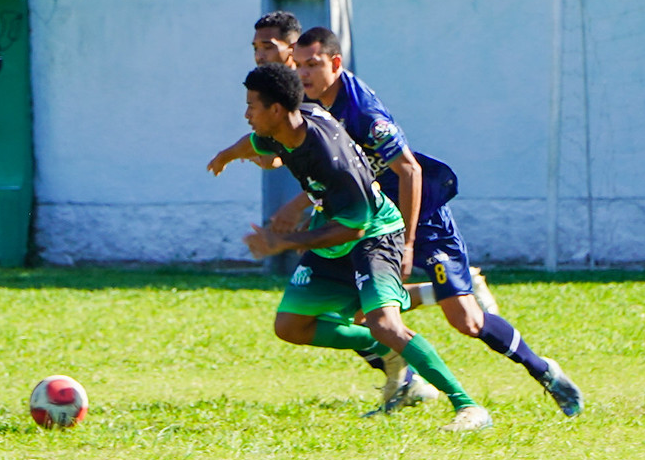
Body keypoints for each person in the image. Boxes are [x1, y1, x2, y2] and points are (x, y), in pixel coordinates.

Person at [287, 28, 584, 417]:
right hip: (374, 222)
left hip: (422, 219)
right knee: (364, 313)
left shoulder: (364, 115)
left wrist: (408, 243)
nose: (304, 74)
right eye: (299, 66)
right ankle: (409, 384)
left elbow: (410, 171)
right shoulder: (314, 107)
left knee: (467, 321)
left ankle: (543, 370)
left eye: (312, 65)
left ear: (336, 63)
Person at [209, 62, 491, 432]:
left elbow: (353, 229)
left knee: (384, 323)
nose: (246, 114)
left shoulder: (332, 162)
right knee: (291, 326)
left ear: (275, 109)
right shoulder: (287, 123)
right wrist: (226, 155)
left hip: (375, 232)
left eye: (251, 106)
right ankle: (391, 347)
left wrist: (284, 241)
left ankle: (468, 407)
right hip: (336, 225)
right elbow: (255, 142)